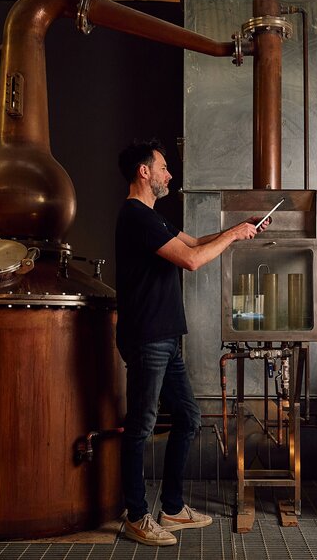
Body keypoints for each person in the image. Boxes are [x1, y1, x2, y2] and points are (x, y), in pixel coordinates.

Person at [114, 139, 266, 546]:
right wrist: (234, 234)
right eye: (163, 168)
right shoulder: (135, 216)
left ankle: (173, 507)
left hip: (165, 337)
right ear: (144, 172)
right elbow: (193, 261)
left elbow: (196, 243)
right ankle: (136, 515)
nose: (169, 174)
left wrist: (241, 227)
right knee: (141, 427)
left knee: (188, 418)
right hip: (147, 337)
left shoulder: (153, 218)